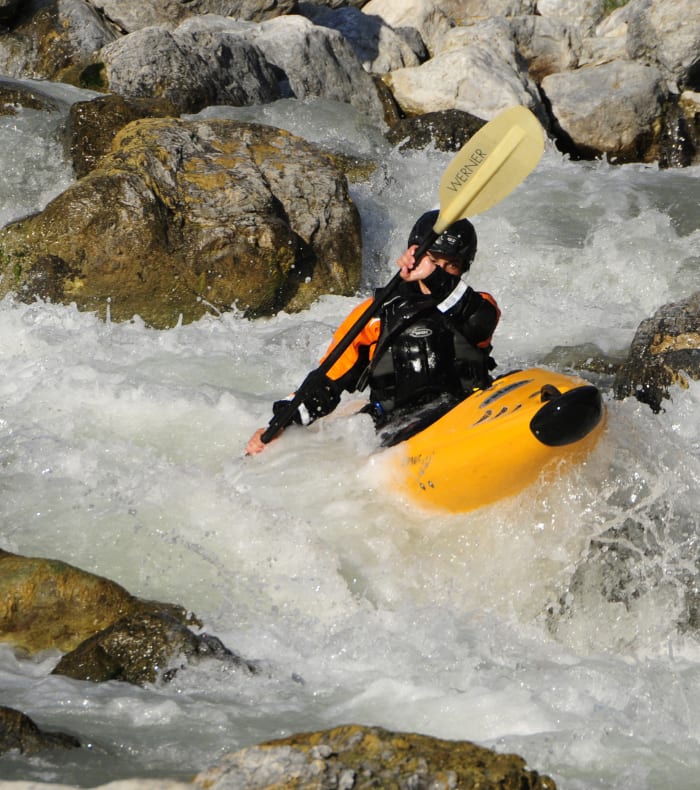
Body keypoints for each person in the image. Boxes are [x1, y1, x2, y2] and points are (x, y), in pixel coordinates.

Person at [246, 209, 500, 455]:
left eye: (451, 265)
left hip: (467, 411)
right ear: (415, 253)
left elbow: (480, 321)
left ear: (464, 267)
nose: (440, 269)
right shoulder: (374, 314)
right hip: (399, 428)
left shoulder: (478, 305)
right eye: (432, 260)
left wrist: (433, 277)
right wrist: (281, 424)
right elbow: (327, 381)